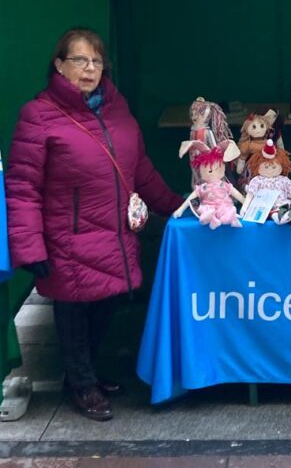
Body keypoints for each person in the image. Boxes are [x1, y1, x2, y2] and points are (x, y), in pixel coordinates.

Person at [5, 28, 182, 422]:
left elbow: (141, 171)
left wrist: (175, 206)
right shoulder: (39, 115)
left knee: (107, 305)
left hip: (115, 236)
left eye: (96, 61)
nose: (89, 69)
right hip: (67, 240)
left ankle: (83, 375)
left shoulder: (117, 110)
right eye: (79, 60)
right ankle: (82, 384)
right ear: (59, 65)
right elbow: (22, 187)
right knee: (73, 315)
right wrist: (30, 247)